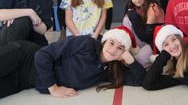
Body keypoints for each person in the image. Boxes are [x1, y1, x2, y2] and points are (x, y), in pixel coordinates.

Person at [0, 27, 146, 98]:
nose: (114, 50)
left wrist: (130, 59)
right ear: (104, 41)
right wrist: (54, 88)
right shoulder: (87, 43)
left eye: (120, 48)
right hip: (23, 57)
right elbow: (42, 55)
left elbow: (140, 80)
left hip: (23, 82)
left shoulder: (108, 72)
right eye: (112, 43)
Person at [122, 0, 165, 68]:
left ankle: (150, 59)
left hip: (155, 41)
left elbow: (146, 36)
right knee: (127, 19)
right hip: (143, 40)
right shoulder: (137, 8)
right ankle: (129, 48)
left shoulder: (153, 7)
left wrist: (133, 16)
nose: (137, 0)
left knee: (137, 62)